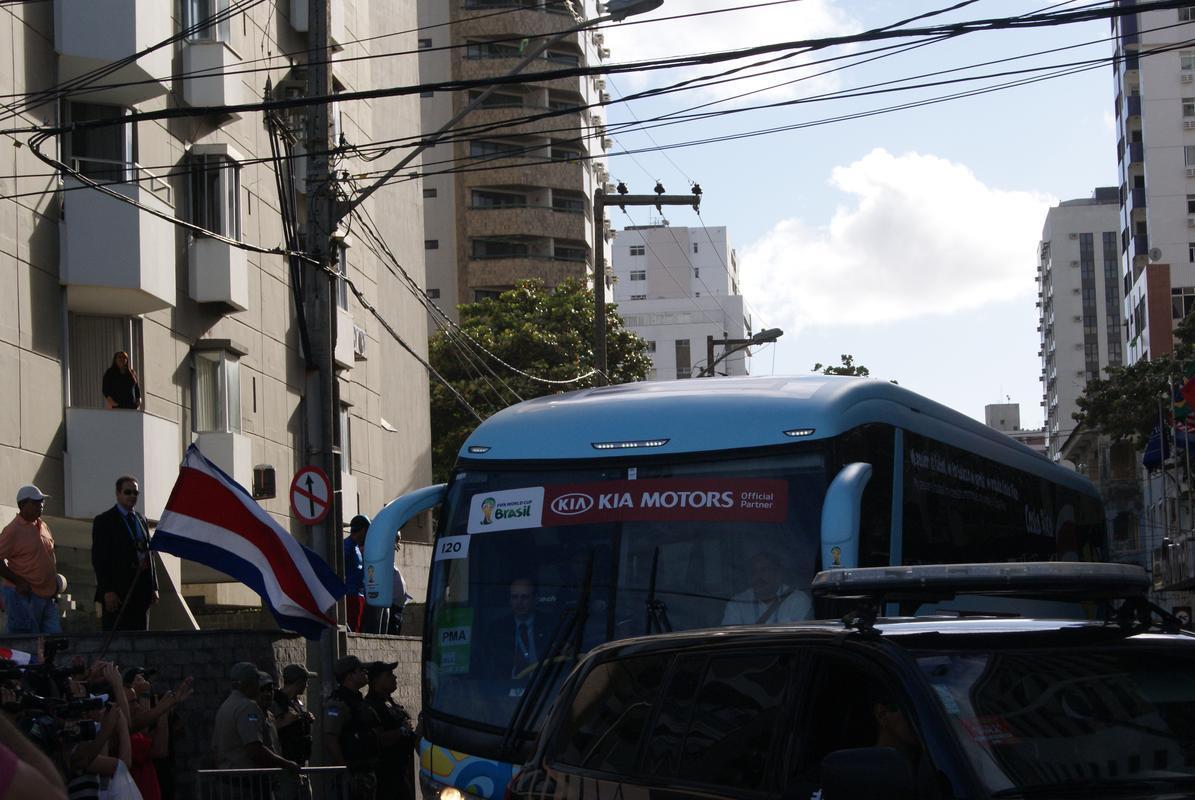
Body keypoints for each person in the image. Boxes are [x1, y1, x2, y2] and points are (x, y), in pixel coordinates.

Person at [212, 662, 299, 799]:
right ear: (249, 684)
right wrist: (287, 764)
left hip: (229, 782)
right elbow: (255, 749)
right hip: (247, 785)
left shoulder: (226, 706)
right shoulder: (247, 707)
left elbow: (216, 750)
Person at [92, 475, 158, 631]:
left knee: (141, 637)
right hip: (118, 593)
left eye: (135, 493)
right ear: (118, 493)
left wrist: (154, 586)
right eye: (128, 492)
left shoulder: (141, 519)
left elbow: (150, 554)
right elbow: (99, 559)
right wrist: (107, 590)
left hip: (140, 591)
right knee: (118, 638)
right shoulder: (105, 520)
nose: (132, 496)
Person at [0, 485, 60, 634]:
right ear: (23, 505)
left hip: (47, 595)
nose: (41, 505)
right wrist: (18, 581)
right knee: (26, 643)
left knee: (54, 641)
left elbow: (50, 555)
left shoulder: (43, 525)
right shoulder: (13, 530)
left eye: (42, 502)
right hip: (23, 596)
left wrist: (53, 583)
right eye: (36, 502)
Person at [323, 655, 378, 800]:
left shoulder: (358, 700)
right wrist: (344, 771)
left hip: (366, 770)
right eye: (361, 670)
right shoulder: (338, 703)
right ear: (349, 675)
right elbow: (330, 738)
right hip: (352, 773)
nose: (365, 672)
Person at [362, 661, 418, 800]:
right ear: (375, 680)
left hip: (402, 772)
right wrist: (401, 731)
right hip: (385, 774)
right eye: (389, 675)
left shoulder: (392, 703)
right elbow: (378, 739)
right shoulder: (370, 706)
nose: (395, 678)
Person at [720, 551, 811, 625]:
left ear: (778, 574)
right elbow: (730, 641)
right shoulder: (738, 603)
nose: (758, 577)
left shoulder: (797, 600)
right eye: (754, 572)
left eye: (764, 570)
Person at [489, 577, 553, 679]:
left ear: (535, 599)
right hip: (505, 685)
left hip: (542, 685)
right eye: (515, 597)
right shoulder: (497, 628)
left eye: (525, 597)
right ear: (510, 600)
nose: (519, 602)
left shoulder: (550, 625)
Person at [271, 664, 315, 800]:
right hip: (285, 766)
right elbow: (268, 729)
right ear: (298, 681)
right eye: (306, 681)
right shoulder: (276, 701)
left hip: (301, 765)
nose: (307, 685)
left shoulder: (297, 703)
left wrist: (306, 718)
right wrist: (285, 722)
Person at [343, 516, 369, 632]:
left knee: (356, 629)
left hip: (357, 595)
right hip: (351, 596)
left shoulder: (355, 547)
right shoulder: (347, 547)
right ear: (363, 530)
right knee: (353, 631)